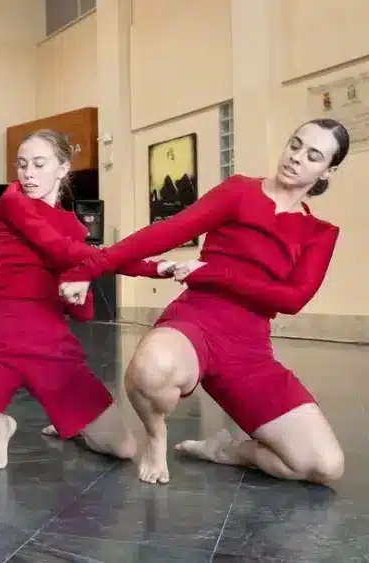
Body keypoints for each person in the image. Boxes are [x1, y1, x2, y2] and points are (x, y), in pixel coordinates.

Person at [59, 118, 349, 485]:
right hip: (194, 323)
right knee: (150, 370)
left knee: (325, 465)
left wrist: (212, 272)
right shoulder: (240, 191)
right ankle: (156, 436)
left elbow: (293, 299)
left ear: (328, 170)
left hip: (249, 352)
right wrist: (89, 268)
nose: (296, 157)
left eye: (313, 156)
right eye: (295, 144)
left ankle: (228, 452)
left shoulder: (319, 233)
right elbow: (165, 232)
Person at [0, 129, 174, 471]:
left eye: (38, 164)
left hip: (53, 354)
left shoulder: (74, 228)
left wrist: (78, 288)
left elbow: (83, 310)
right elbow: (61, 250)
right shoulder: (13, 201)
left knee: (123, 448)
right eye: (22, 165)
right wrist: (153, 267)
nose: (28, 174)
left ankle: (73, 427)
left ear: (62, 169)